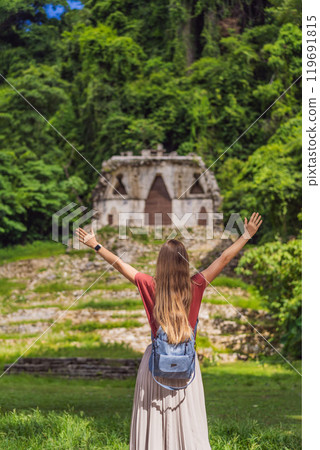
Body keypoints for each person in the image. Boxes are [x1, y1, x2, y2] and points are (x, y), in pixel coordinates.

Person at [76, 212, 263, 449]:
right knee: (186, 420)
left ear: (160, 262)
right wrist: (246, 235)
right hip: (186, 363)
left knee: (154, 419)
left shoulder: (148, 283)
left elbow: (120, 264)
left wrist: (96, 245)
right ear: (185, 260)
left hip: (156, 363)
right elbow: (224, 259)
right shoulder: (196, 284)